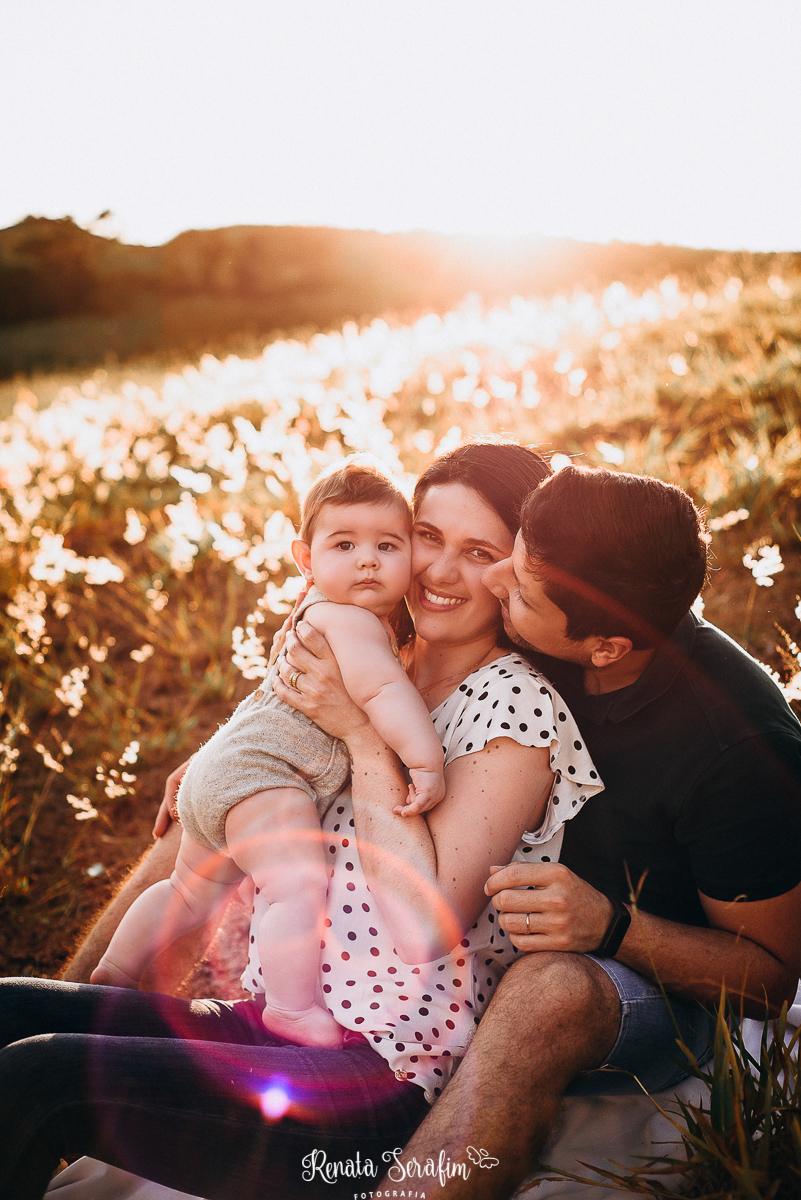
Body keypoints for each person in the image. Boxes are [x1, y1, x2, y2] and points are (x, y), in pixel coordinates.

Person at [0, 441, 604, 1200]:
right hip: (272, 1023)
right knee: (7, 1010)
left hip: (373, 1077)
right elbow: (274, 737)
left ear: (515, 569)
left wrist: (360, 737)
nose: (439, 571)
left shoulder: (514, 707)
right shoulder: (368, 649)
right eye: (426, 536)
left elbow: (424, 927)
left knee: (34, 1079)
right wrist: (220, 764)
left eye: (478, 552)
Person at [313, 463, 798, 1198]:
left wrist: (612, 927)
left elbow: (771, 978)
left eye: (518, 586)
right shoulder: (564, 586)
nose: (495, 580)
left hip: (649, 985)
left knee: (552, 990)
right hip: (482, 932)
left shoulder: (736, 754)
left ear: (605, 648)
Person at [89, 462, 446, 1049]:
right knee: (296, 887)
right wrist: (425, 761)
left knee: (187, 891)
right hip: (266, 777)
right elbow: (385, 692)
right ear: (305, 558)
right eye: (345, 545)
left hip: (221, 768)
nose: (367, 561)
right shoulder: (350, 621)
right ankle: (289, 1008)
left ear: (411, 554)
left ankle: (115, 972)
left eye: (387, 546)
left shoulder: (311, 609)